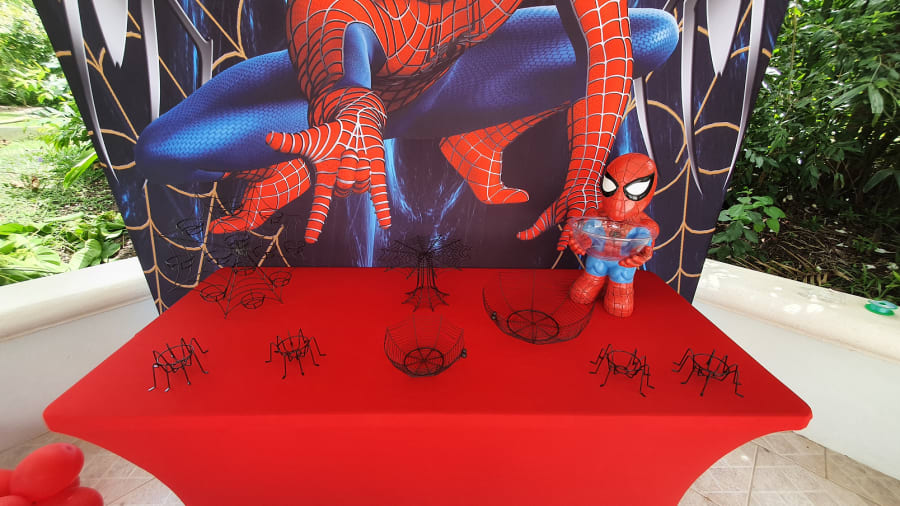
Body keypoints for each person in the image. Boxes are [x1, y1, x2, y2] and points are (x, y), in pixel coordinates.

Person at [135, 1, 678, 245]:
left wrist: (582, 183)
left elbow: (607, 51)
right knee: (167, 151)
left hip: (456, 83)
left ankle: (479, 139)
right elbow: (331, 18)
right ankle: (315, 152)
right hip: (328, 91)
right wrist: (346, 108)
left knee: (652, 34)